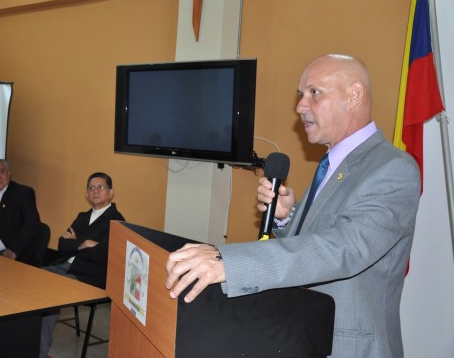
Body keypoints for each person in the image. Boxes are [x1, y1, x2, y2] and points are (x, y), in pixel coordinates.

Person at [165, 54, 420, 358]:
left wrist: (228, 263)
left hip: (348, 346)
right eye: (301, 95)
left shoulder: (393, 168)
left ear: (353, 95)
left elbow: (345, 248)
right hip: (303, 334)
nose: (300, 106)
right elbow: (321, 239)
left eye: (314, 92)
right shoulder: (333, 163)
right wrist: (289, 218)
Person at [39, 172, 126, 358]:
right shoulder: (82, 216)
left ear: (111, 193)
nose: (95, 191)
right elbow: (61, 245)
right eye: (91, 188)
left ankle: (40, 352)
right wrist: (83, 243)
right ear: (86, 194)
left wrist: (76, 242)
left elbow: (101, 255)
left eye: (100, 187)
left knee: (48, 295)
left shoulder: (117, 221)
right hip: (64, 266)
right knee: (33, 280)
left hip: (89, 276)